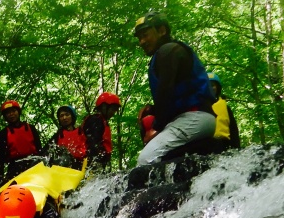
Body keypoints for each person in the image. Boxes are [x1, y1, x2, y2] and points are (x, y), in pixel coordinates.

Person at [132, 12, 217, 166]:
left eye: (145, 35)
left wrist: (156, 128)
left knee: (145, 161)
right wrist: (152, 109)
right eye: (139, 38)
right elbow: (174, 94)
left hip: (193, 117)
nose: (141, 41)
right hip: (197, 118)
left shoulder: (168, 50)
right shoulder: (168, 52)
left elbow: (166, 90)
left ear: (162, 31)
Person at [0, 100, 44, 183]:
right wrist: (0, 177)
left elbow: (40, 149)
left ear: (18, 112)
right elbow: (1, 158)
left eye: (13, 111)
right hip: (15, 167)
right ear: (5, 116)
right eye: (8, 113)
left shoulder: (31, 128)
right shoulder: (3, 133)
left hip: (34, 164)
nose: (11, 114)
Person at [81, 92, 120, 172]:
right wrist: (94, 163)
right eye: (112, 109)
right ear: (104, 107)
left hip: (97, 162)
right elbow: (92, 143)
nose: (113, 113)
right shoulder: (96, 120)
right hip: (91, 163)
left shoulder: (101, 121)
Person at [205, 72, 241, 153]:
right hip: (205, 146)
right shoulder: (199, 106)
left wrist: (236, 148)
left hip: (224, 145)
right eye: (208, 85)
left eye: (213, 85)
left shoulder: (225, 107)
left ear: (218, 88)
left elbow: (233, 130)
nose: (211, 87)